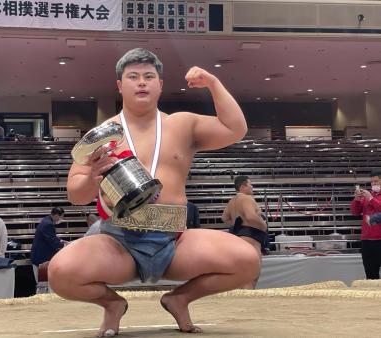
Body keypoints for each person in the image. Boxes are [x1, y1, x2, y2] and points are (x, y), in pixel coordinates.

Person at [48, 48, 260, 337]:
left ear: (161, 84)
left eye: (149, 76)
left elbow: (236, 128)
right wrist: (93, 178)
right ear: (120, 86)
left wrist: (213, 83)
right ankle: (112, 305)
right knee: (60, 273)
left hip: (175, 240)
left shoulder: (183, 125)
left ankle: (179, 299)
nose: (142, 82)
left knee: (247, 261)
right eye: (133, 77)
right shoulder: (100, 134)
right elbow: (75, 195)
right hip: (118, 242)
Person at [221, 175, 268, 289]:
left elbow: (224, 217)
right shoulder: (246, 198)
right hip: (250, 240)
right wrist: (263, 224)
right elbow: (250, 216)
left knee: (243, 277)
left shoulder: (232, 200)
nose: (252, 187)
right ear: (242, 187)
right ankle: (249, 304)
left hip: (238, 240)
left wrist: (237, 224)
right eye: (250, 184)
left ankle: (243, 303)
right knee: (251, 277)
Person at [350, 172, 381, 279]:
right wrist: (356, 200)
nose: (373, 183)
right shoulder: (367, 195)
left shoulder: (369, 196)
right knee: (370, 275)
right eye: (372, 181)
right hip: (367, 240)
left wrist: (371, 199)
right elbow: (355, 212)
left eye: (376, 181)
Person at [30, 207, 68, 282]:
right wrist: (64, 246)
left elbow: (51, 237)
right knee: (42, 284)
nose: (61, 219)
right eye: (61, 217)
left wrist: (61, 241)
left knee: (43, 283)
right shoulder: (48, 224)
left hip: (40, 257)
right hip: (42, 258)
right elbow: (52, 240)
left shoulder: (46, 220)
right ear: (57, 215)